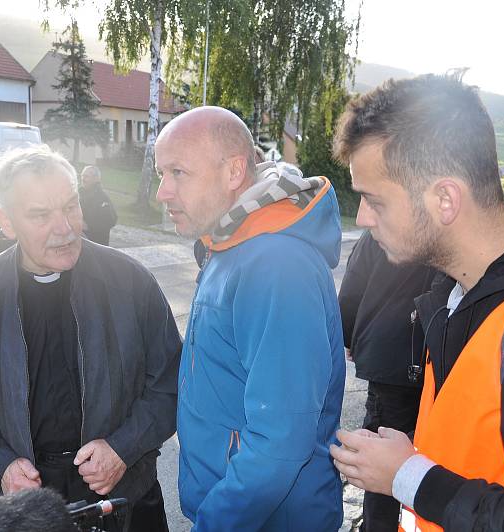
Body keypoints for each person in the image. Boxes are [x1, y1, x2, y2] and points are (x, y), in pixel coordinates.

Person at [329, 74, 504, 531]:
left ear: (445, 199)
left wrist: (407, 476)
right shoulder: (460, 296)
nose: (364, 217)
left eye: (375, 200)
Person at [0, 145, 181, 532]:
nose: (66, 228)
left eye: (71, 207)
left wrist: (123, 448)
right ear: (6, 222)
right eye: (41, 215)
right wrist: (1, 465)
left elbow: (170, 384)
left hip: (127, 497)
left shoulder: (130, 281)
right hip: (27, 507)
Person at [155, 106, 346, 531]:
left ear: (233, 171)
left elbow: (281, 442)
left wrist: (215, 523)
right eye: (160, 174)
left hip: (269, 520)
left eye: (178, 173)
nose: (162, 192)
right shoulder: (231, 246)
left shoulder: (275, 264)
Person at [338, 231, 437, 531]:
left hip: (389, 357)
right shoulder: (436, 229)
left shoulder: (378, 232)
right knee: (424, 451)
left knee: (380, 459)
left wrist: (350, 335)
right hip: (429, 354)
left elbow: (352, 291)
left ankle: (377, 525)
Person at [78, 165, 117, 246]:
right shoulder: (79, 194)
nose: (83, 179)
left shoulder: (102, 198)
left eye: (86, 176)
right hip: (80, 243)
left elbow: (112, 220)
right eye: (82, 176)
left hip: (96, 245)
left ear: (96, 179)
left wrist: (88, 226)